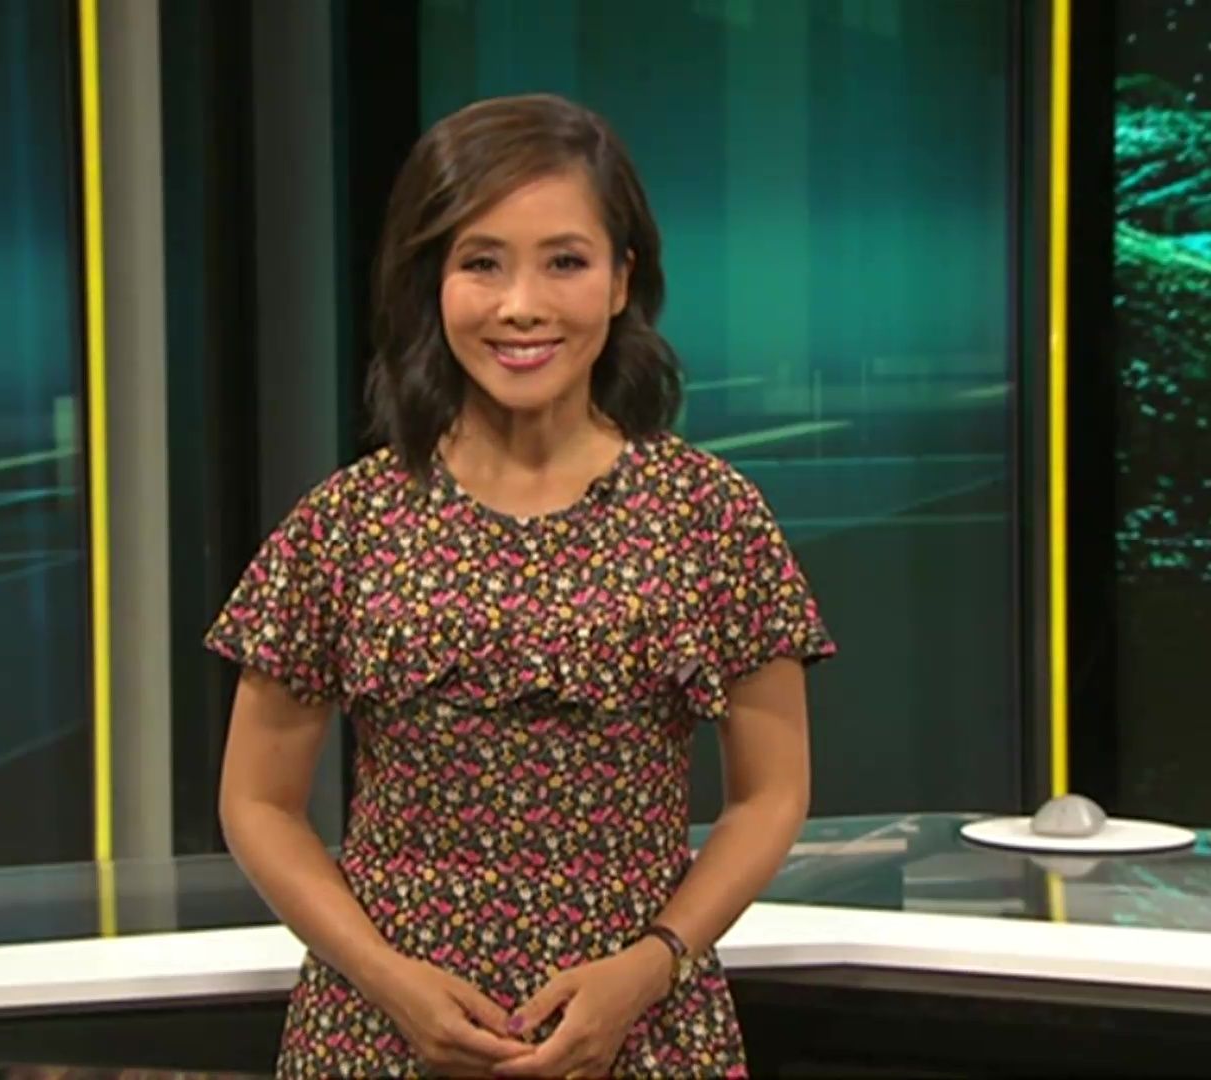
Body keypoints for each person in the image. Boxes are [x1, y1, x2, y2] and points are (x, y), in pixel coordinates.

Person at [208, 92, 833, 1079]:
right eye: (482, 263)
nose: (521, 306)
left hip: (640, 1030)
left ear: (623, 280)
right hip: (380, 1032)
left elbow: (772, 793)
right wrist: (385, 978)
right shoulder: (346, 523)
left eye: (565, 262)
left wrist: (651, 965)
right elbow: (257, 802)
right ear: (431, 282)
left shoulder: (710, 516)